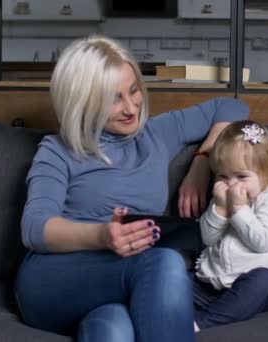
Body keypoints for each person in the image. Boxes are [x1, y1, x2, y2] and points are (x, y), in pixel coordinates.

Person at [13, 35, 248, 342]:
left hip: (121, 279)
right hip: (53, 278)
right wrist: (101, 236)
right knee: (164, 261)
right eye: (113, 98)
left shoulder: (156, 134)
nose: (131, 107)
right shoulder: (57, 150)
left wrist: (202, 162)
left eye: (134, 90)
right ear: (83, 103)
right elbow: (34, 227)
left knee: (113, 329)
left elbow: (231, 106)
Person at [193, 120, 268, 331]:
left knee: (264, 280)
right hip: (216, 284)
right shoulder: (222, 195)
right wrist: (220, 209)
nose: (232, 184)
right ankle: (217, 308)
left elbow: (262, 242)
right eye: (223, 176)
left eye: (242, 176)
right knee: (177, 280)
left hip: (262, 288)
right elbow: (207, 238)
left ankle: (203, 321)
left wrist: (239, 208)